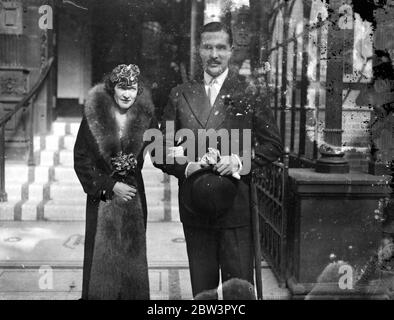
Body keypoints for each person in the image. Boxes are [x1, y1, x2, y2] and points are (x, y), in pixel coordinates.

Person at [154, 22, 283, 298]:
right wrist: (187, 165)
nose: (214, 54)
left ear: (231, 51)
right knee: (203, 293)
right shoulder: (180, 94)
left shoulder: (249, 92)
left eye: (221, 48)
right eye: (208, 47)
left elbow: (273, 145)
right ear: (198, 50)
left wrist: (239, 161)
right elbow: (159, 148)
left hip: (236, 210)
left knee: (239, 294)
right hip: (195, 207)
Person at [74, 64, 156, 299]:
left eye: (132, 88)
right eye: (122, 87)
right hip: (101, 199)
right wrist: (110, 187)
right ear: (113, 89)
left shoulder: (145, 118)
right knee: (100, 267)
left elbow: (162, 151)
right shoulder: (94, 116)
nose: (127, 94)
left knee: (132, 265)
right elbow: (80, 159)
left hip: (134, 199)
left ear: (138, 90)